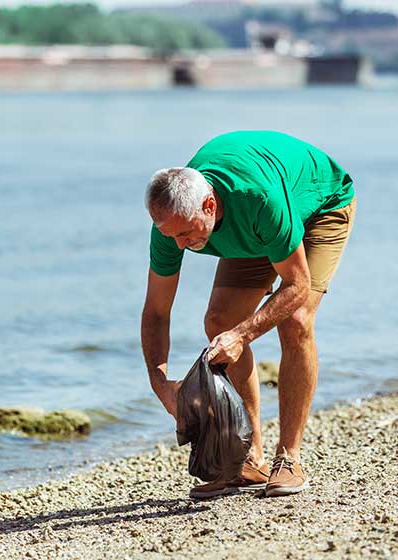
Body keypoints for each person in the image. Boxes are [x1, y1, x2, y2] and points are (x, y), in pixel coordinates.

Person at [141, 130, 356, 499]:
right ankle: (250, 458)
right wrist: (160, 384)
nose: (180, 245)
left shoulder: (258, 199)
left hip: (321, 205)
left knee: (296, 320)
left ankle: (289, 458)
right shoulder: (171, 225)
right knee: (219, 322)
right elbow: (157, 311)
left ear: (209, 205)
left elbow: (297, 285)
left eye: (186, 234)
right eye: (172, 236)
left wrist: (242, 336)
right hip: (258, 230)